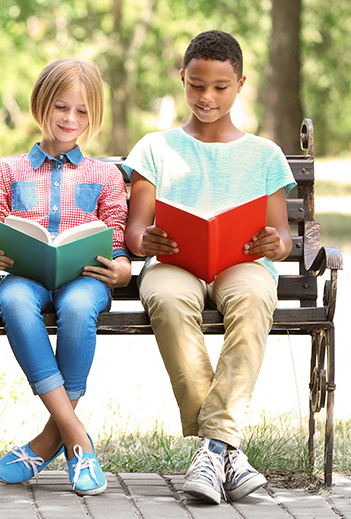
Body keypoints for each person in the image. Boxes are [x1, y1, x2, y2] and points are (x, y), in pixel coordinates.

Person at [123, 30, 295, 504]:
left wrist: (273, 243)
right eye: (197, 85)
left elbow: (281, 236)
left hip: (241, 263)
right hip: (176, 261)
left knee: (256, 297)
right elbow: (135, 232)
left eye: (220, 87)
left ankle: (212, 446)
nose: (207, 97)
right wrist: (146, 240)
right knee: (168, 300)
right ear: (182, 79)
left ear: (240, 83)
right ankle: (225, 451)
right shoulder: (155, 148)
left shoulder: (264, 154)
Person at [0, 59, 130, 495]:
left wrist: (120, 268)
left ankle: (49, 439)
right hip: (25, 275)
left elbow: (116, 236)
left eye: (82, 112)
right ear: (40, 105)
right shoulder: (7, 170)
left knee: (80, 306)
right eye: (61, 107)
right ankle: (76, 438)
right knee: (13, 301)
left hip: (85, 277)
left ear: (94, 115)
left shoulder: (104, 174)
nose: (69, 119)